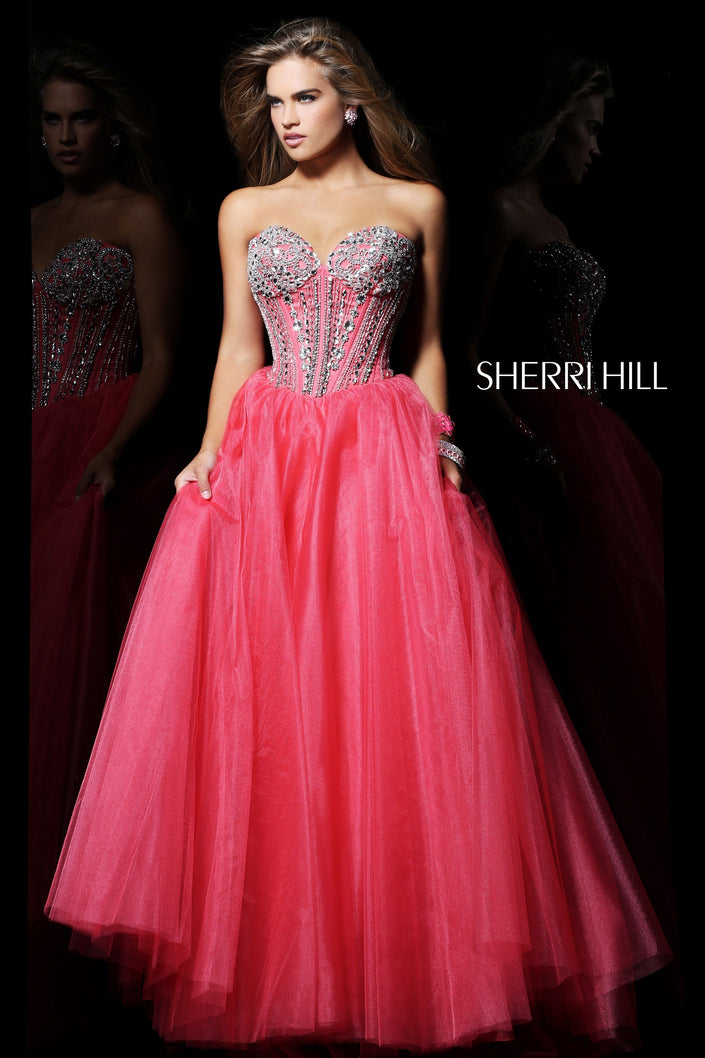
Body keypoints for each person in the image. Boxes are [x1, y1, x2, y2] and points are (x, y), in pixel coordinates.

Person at [45, 19, 670, 1055]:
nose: (287, 118)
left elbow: (426, 349)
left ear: (350, 100)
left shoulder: (416, 204)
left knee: (394, 691)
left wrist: (441, 440)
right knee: (267, 694)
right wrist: (207, 450)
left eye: (303, 97)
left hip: (381, 453)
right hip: (272, 450)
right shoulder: (246, 208)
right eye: (274, 102)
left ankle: (403, 963)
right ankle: (284, 966)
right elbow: (236, 347)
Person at [454, 52, 676, 966]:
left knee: (611, 639)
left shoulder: (552, 219)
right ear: (551, 125)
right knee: (560, 642)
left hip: (585, 429)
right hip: (535, 435)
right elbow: (460, 351)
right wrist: (521, 441)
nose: (595, 146)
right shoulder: (500, 213)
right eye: (588, 127)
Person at [29, 40, 185, 1051]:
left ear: (111, 123)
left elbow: (166, 354)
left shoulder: (141, 217)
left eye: (80, 117)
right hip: (35, 440)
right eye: (49, 120)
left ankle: (84, 928)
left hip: (99, 441)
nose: (64, 136)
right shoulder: (34, 221)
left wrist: (117, 449)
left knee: (77, 677)